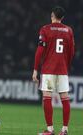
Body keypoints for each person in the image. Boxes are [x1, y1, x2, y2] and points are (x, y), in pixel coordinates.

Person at [32, 6, 74, 135]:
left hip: (49, 69)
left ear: (52, 15)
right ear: (62, 17)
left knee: (47, 97)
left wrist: (35, 69)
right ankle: (65, 130)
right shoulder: (69, 30)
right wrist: (66, 65)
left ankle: (50, 130)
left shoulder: (45, 29)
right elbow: (72, 52)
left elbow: (40, 51)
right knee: (65, 98)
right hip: (62, 69)